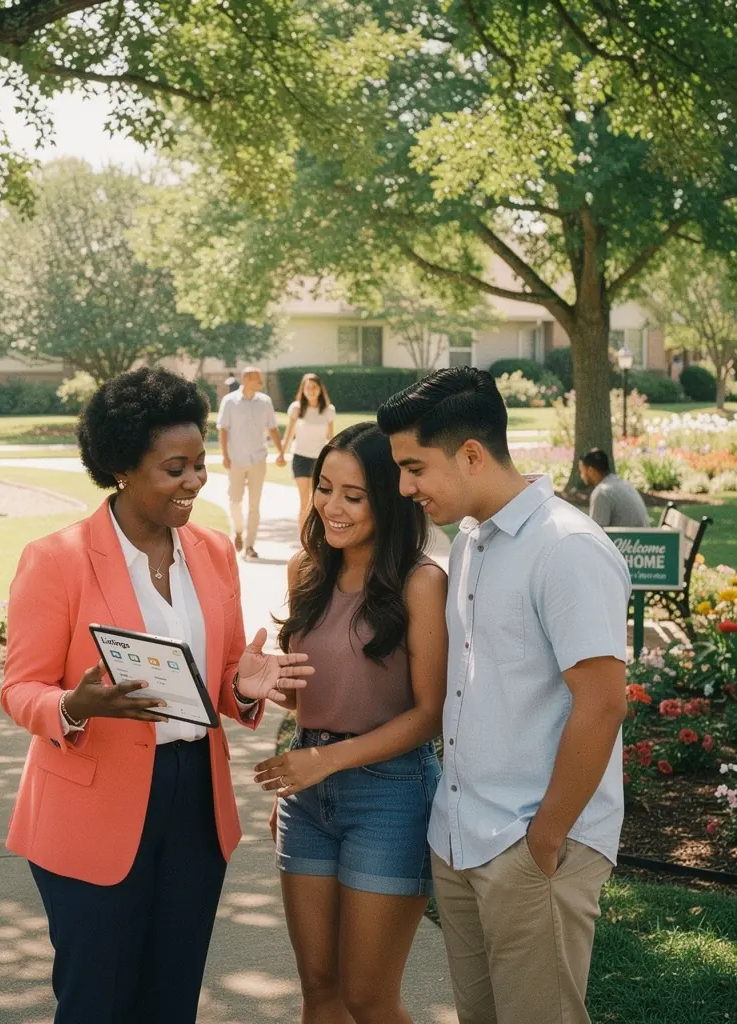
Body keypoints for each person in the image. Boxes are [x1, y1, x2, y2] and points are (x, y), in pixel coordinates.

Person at [1, 366, 313, 1024]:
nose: (195, 481)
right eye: (176, 468)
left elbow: (223, 668)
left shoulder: (212, 550)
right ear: (122, 468)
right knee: (97, 1001)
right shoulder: (56, 559)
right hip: (92, 807)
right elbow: (20, 688)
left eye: (200, 464)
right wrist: (72, 707)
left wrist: (243, 686)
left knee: (171, 999)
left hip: (194, 800)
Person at [378, 367, 631, 1024]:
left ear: (470, 454)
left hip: (532, 846)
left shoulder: (568, 547)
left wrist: (544, 840)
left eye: (414, 467)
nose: (405, 487)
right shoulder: (470, 542)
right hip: (462, 838)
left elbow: (603, 703)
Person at [255, 422, 447, 1024]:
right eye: (325, 488)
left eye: (353, 496)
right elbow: (311, 696)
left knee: (368, 996)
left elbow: (429, 714)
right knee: (319, 989)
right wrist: (265, 690)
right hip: (306, 798)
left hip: (390, 795)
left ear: (387, 500)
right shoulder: (304, 570)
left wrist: (326, 760)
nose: (331, 508)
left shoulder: (421, 582)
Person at [217, 365, 284, 560]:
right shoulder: (229, 402)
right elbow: (223, 429)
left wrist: (280, 451)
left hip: (258, 459)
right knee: (235, 501)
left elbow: (273, 428)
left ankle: (250, 546)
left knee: (254, 505)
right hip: (236, 459)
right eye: (258, 379)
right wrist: (224, 455)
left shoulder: (265, 402)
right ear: (246, 379)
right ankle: (238, 531)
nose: (261, 383)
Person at [278, 372, 337, 528]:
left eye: (314, 387)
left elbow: (331, 437)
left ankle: (319, 536)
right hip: (300, 458)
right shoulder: (296, 409)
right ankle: (304, 540)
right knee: (304, 500)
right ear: (302, 390)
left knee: (318, 500)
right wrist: (282, 453)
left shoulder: (328, 410)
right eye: (308, 387)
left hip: (319, 460)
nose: (311, 390)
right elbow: (289, 433)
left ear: (320, 389)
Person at [578, 448, 650, 528]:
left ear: (591, 471)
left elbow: (596, 533)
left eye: (581, 471)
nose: (581, 476)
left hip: (628, 539)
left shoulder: (602, 493)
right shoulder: (623, 484)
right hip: (642, 538)